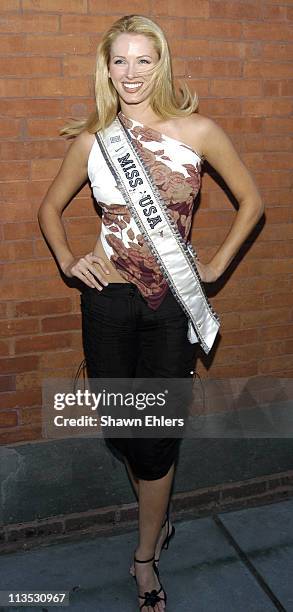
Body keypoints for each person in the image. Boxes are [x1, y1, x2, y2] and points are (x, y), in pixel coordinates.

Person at [38, 14, 264, 611]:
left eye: (144, 60)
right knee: (123, 431)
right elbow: (49, 209)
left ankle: (144, 557)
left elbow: (253, 201)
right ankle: (156, 517)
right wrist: (69, 260)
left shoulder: (198, 130)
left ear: (160, 63)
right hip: (108, 303)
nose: (132, 73)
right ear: (106, 69)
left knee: (156, 437)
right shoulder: (94, 139)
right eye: (121, 61)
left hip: (170, 309)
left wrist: (213, 267)